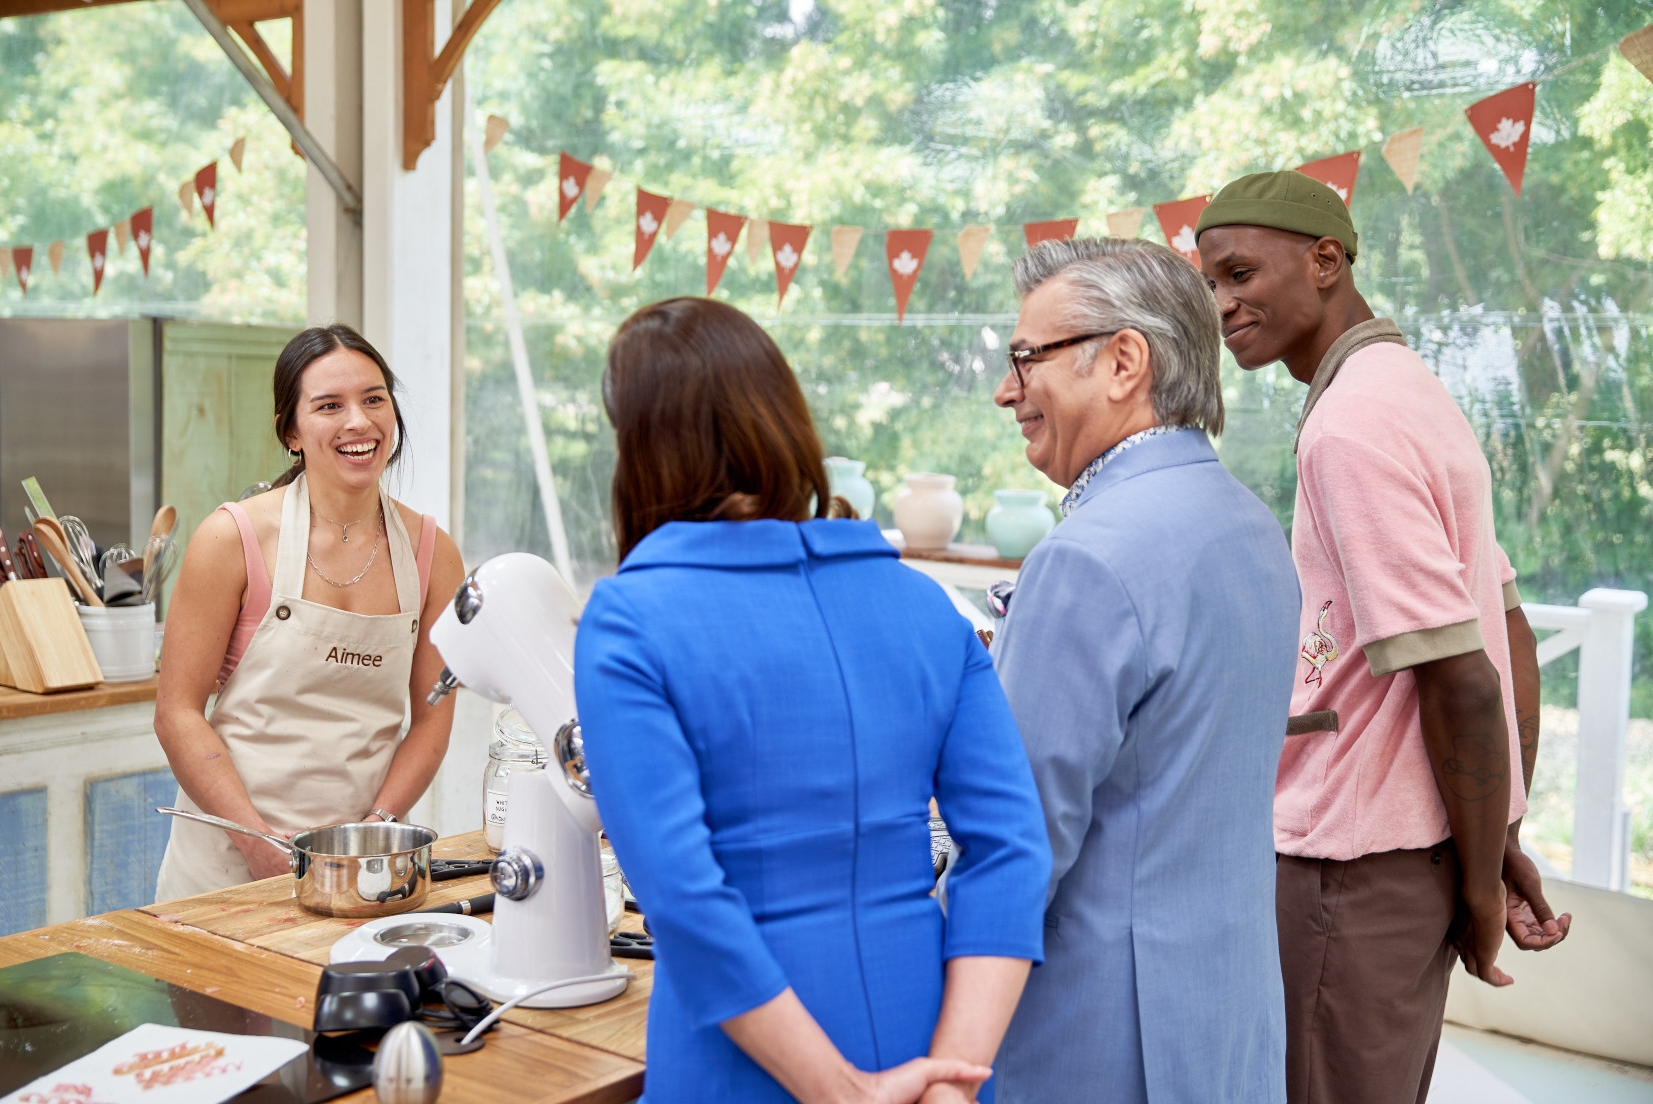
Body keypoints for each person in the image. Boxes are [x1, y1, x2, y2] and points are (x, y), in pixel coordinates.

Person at [574, 297, 1052, 1104]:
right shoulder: (922, 604)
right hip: (932, 1044)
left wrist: (844, 1092)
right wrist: (954, 1081)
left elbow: (684, 897)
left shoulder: (629, 620)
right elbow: (1011, 849)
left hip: (748, 1064)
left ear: (642, 449)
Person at [1195, 170, 1570, 1104]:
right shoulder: (1408, 390)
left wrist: (1483, 892)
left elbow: (1466, 678)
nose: (1221, 303)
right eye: (1208, 283)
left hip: (1350, 874)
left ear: (1327, 261)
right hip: (1412, 855)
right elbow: (1507, 624)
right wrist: (1498, 832)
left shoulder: (1349, 429)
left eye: (1240, 272)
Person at [987, 238, 1301, 1103]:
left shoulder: (1085, 558)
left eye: (1026, 358)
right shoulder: (1248, 524)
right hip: (1227, 1011)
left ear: (1125, 360)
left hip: (1099, 1032)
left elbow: (1020, 845)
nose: (1007, 390)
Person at [154, 324, 465, 899]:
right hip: (224, 868)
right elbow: (176, 713)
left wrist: (376, 831)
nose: (359, 422)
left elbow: (431, 722)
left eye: (375, 399)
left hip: (358, 873)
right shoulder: (234, 539)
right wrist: (255, 840)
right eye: (330, 406)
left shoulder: (432, 555)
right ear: (291, 432)